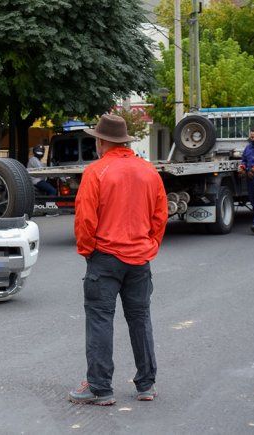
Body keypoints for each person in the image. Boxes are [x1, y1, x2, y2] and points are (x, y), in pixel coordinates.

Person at [69, 114, 168, 406]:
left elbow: (85, 219)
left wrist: (88, 251)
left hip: (105, 256)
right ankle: (146, 385)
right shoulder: (149, 171)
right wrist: (149, 245)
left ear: (101, 142)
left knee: (100, 320)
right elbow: (160, 216)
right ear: (123, 141)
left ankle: (100, 389)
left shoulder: (96, 171)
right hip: (139, 257)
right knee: (140, 319)